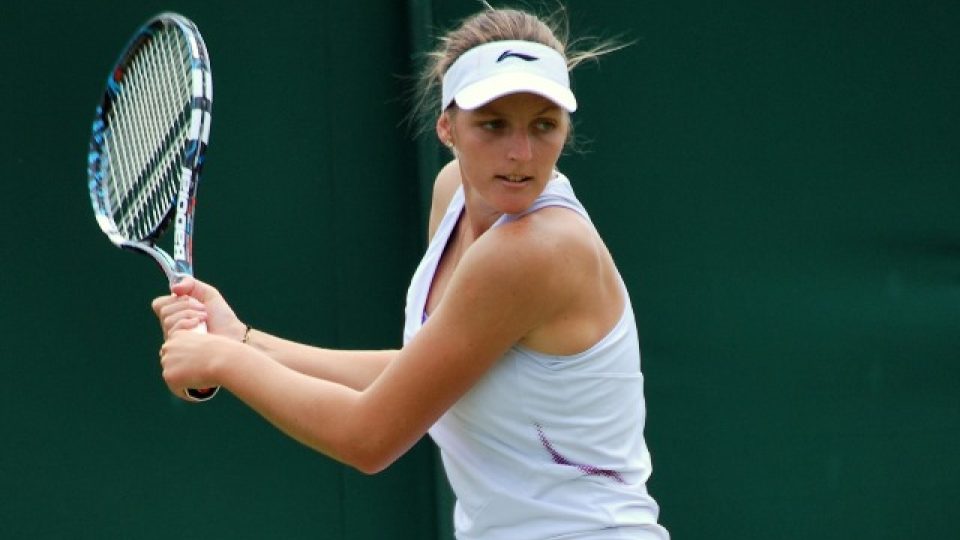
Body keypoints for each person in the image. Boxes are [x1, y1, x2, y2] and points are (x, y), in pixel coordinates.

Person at [154, 5, 669, 539]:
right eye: (493, 124)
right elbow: (425, 373)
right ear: (448, 126)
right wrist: (244, 340)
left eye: (544, 125)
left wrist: (224, 361)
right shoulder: (453, 197)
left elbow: (368, 437)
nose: (520, 152)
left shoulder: (536, 249)